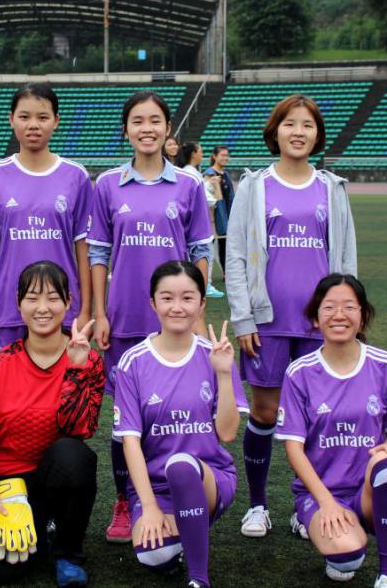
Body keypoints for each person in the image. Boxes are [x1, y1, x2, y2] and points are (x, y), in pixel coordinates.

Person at [225, 94, 357, 538]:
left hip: (321, 323)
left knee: (318, 416)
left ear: (317, 135)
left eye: (307, 125)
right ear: (275, 131)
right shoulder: (254, 186)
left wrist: (344, 316)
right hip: (268, 322)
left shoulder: (332, 188)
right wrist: (243, 319)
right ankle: (257, 505)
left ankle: (309, 506)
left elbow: (346, 259)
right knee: (265, 412)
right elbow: (236, 256)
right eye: (289, 124)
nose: (298, 132)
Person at [88, 92, 214, 544]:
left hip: (176, 322)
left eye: (155, 120)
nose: (147, 128)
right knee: (125, 419)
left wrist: (197, 313)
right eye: (138, 121)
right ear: (126, 130)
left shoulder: (189, 184)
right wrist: (99, 312)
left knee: (176, 412)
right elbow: (98, 253)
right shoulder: (107, 184)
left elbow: (200, 251)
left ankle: (177, 495)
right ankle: (127, 502)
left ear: (167, 128)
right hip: (124, 319)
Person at [0, 261, 105, 586]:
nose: (42, 308)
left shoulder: (88, 361)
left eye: (53, 297)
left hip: (53, 477)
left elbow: (80, 429)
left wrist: (76, 371)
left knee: (73, 454)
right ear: (19, 304)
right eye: (32, 298)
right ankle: (41, 529)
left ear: (68, 301)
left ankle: (67, 551)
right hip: (5, 484)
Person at [113, 260, 249, 588]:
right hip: (156, 486)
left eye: (187, 298)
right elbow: (129, 441)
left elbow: (228, 433)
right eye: (167, 298)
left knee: (182, 465)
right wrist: (149, 507)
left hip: (209, 478)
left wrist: (223, 374)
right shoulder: (133, 362)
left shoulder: (216, 354)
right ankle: (183, 531)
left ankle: (198, 578)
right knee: (155, 556)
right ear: (153, 303)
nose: (177, 307)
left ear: (201, 304)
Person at [277, 274, 387, 588]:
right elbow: (293, 449)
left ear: (363, 316)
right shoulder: (299, 373)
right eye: (329, 307)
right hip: (322, 492)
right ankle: (316, 521)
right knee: (346, 558)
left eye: (349, 307)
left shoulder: (385, 365)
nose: (339, 315)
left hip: (367, 488)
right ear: (316, 317)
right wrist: (326, 503)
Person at [0, 83, 92, 353]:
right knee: (9, 380)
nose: (33, 125)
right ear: (11, 119)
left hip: (61, 306)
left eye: (42, 117)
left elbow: (84, 247)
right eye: (24, 116)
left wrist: (86, 309)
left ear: (56, 121)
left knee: (64, 379)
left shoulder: (76, 176)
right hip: (8, 307)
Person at [174, 142, 225, 298]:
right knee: (204, 252)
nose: (203, 155)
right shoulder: (191, 174)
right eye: (200, 151)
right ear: (193, 154)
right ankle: (204, 284)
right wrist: (214, 194)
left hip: (195, 221)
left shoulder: (192, 173)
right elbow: (206, 199)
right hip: (197, 222)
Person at [204, 146, 235, 275]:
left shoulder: (225, 173)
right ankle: (213, 273)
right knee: (217, 243)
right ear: (214, 156)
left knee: (225, 243)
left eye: (227, 155)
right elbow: (207, 197)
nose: (225, 158)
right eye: (222, 155)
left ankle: (226, 271)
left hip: (227, 212)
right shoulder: (210, 173)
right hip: (215, 215)